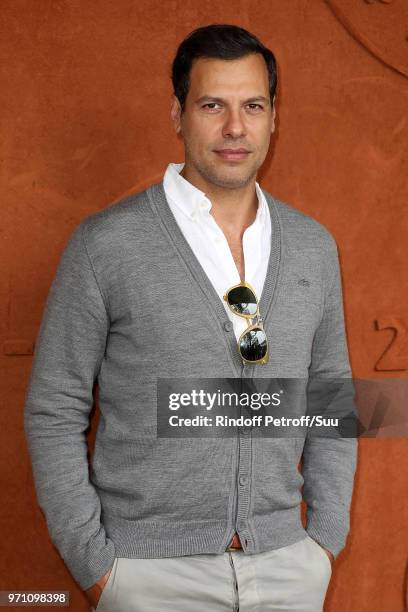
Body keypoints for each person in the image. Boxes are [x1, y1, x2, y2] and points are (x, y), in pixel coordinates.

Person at [24, 23, 357, 612]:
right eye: (212, 105)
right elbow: (54, 407)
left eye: (253, 105)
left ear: (274, 116)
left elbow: (331, 397)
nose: (235, 127)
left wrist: (323, 542)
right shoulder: (106, 245)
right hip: (147, 574)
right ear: (178, 114)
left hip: (288, 571)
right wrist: (98, 569)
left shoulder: (313, 246)